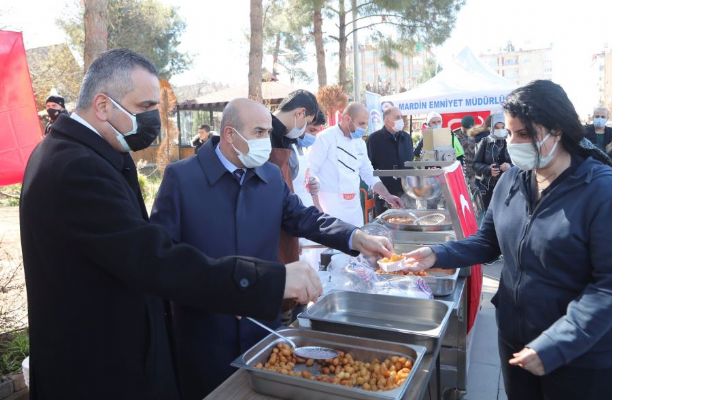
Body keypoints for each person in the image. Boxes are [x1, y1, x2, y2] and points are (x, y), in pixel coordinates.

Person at [19, 49, 324, 399]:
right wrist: (269, 280)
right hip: (95, 370)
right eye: (145, 107)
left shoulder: (91, 153)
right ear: (103, 106)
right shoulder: (75, 168)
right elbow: (153, 257)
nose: (153, 119)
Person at [150, 98, 391, 399]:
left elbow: (304, 217)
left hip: (261, 328)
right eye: (260, 132)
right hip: (205, 332)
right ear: (229, 135)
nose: (267, 141)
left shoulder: (270, 176)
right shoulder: (182, 178)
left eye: (267, 132)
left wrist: (355, 237)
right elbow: (161, 259)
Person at [404, 80, 612, 400]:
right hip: (515, 339)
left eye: (525, 134)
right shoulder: (513, 180)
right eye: (511, 133)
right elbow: (488, 240)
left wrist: (557, 344)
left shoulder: (600, 191)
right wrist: (437, 254)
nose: (514, 142)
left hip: (578, 356)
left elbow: (608, 287)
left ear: (558, 130)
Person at [308, 102, 404, 227]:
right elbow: (310, 174)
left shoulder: (360, 144)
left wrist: (387, 196)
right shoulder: (324, 139)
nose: (364, 128)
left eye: (366, 124)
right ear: (347, 119)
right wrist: (317, 208)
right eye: (361, 123)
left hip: (354, 207)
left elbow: (369, 173)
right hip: (330, 207)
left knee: (354, 243)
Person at [367, 106, 414, 215]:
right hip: (384, 194)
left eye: (401, 117)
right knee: (385, 226)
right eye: (397, 117)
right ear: (387, 120)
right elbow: (369, 167)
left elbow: (410, 162)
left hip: (407, 193)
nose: (401, 120)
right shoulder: (374, 140)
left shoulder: (406, 138)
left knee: (409, 223)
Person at [472, 113, 512, 211]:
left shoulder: (512, 141)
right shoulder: (485, 141)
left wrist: (510, 166)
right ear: (491, 128)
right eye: (497, 127)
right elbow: (475, 164)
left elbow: (522, 165)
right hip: (489, 187)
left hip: (509, 187)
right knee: (490, 216)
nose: (500, 130)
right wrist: (488, 169)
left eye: (503, 127)